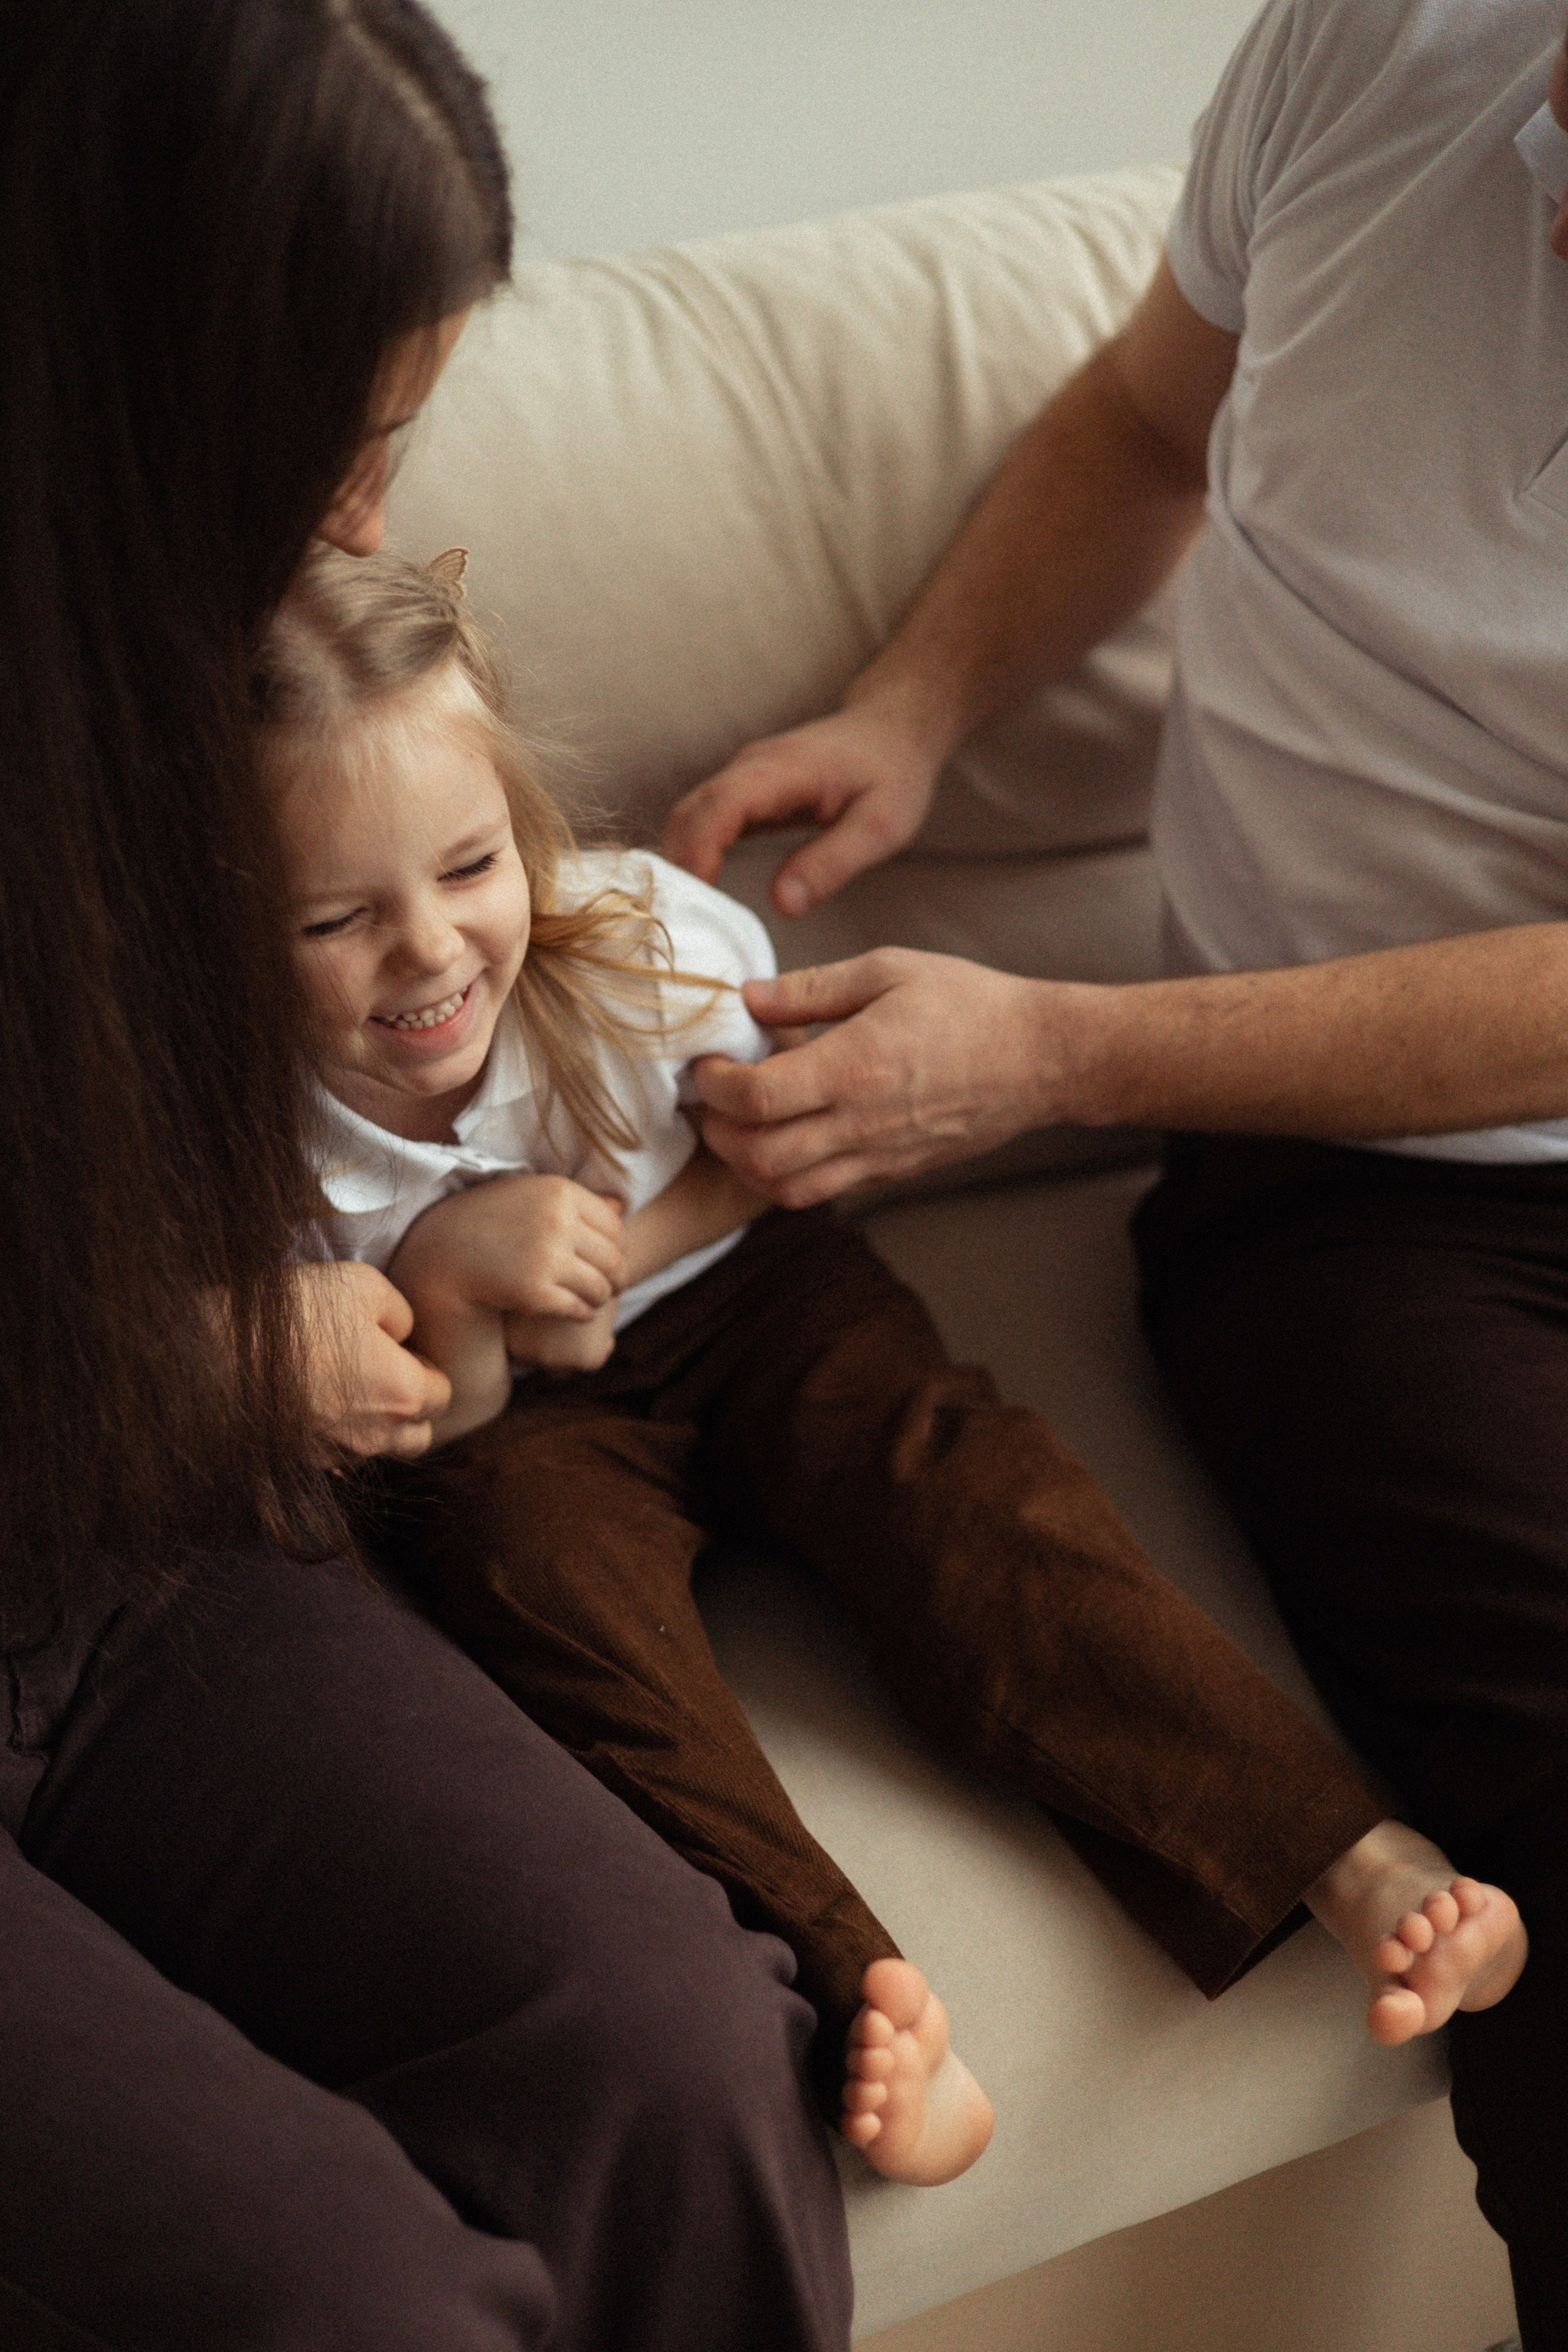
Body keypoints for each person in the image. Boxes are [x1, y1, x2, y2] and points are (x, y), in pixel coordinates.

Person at [659, 0, 1568, 2338]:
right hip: (1360, 1200)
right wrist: (914, 703)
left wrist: (1046, 1050)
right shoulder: (1383, 43)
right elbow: (1152, 413)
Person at [260, 541, 1524, 2192]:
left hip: (748, 1296)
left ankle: (1341, 1855)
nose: (431, 951)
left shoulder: (640, 946)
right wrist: (447, 1284)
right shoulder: (254, 1143)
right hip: (511, 1433)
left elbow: (782, 1153)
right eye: (339, 919)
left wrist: (618, 1250)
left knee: (968, 1502)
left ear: (529, 830)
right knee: (540, 1601)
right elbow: (423, 1428)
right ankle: (859, 1984)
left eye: (471, 867)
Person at [0, 7, 857, 2348]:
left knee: (683, 2057)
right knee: (340, 2294)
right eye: (333, 447)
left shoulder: (186, 690)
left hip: (136, 1559)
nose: (368, 522)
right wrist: (169, 1355)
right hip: (114, 1441)